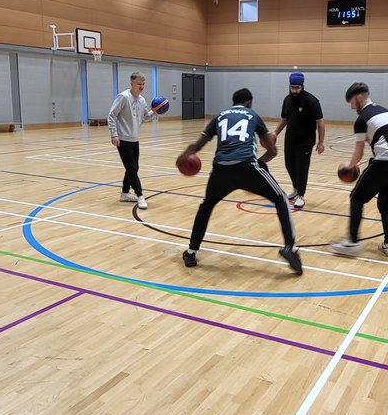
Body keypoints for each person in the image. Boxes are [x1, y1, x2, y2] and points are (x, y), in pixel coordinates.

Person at [178, 88, 303, 275]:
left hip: (220, 169)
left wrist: (184, 155)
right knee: (280, 198)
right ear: (249, 102)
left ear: (233, 101)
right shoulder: (252, 115)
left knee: (206, 206)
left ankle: (191, 252)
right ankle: (289, 248)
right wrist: (259, 165)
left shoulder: (220, 115)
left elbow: (198, 145)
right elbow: (273, 151)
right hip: (246, 167)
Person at [330, 82, 388, 258]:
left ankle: (352, 242)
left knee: (356, 198)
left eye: (351, 102)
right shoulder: (387, 112)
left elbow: (358, 153)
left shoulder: (361, 119)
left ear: (359, 97)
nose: (352, 107)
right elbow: (387, 142)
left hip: (385, 162)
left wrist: (349, 166)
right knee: (384, 204)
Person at [108, 71, 165, 209]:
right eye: (139, 84)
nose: (141, 86)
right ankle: (140, 195)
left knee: (133, 168)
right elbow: (111, 115)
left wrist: (155, 111)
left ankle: (125, 193)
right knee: (132, 168)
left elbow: (144, 117)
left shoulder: (142, 100)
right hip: (123, 138)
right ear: (132, 83)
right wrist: (114, 134)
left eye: (143, 84)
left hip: (135, 139)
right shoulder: (123, 97)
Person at [272, 71, 325, 210]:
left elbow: (320, 122)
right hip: (290, 139)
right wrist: (275, 133)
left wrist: (320, 142)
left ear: (302, 86)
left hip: (306, 141)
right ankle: (296, 189)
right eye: (292, 87)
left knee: (302, 168)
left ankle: (301, 195)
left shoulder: (311, 101)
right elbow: (284, 119)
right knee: (289, 164)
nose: (294, 90)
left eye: (297, 87)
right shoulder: (287, 100)